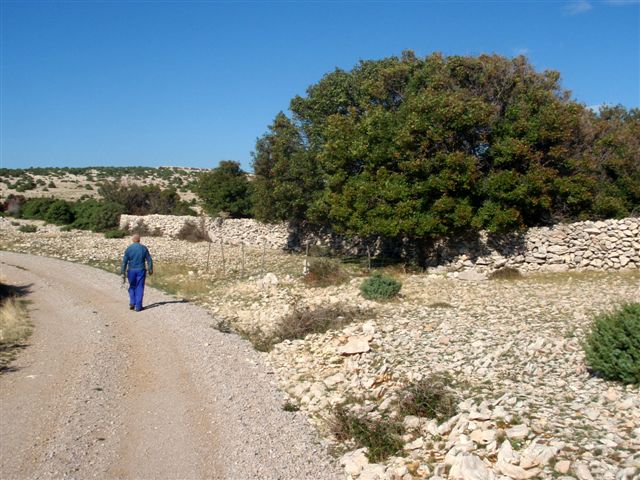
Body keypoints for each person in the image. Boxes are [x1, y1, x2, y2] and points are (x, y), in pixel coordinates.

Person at [121, 233, 153, 312]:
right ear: (139, 240)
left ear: (133, 240)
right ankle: (138, 306)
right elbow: (149, 259)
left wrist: (123, 272)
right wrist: (150, 269)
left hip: (131, 270)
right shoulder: (143, 248)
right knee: (140, 287)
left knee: (132, 286)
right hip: (141, 270)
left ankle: (132, 302)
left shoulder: (129, 249)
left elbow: (124, 261)